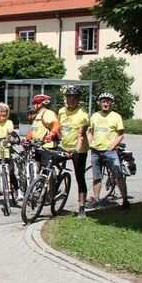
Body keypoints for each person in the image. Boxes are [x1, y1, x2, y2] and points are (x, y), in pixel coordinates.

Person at [88, 92, 130, 210]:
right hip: (96, 151)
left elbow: (120, 135)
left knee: (118, 175)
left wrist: (112, 147)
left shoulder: (116, 116)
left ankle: (125, 201)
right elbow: (90, 132)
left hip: (110, 152)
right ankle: (96, 199)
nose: (105, 104)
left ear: (111, 104)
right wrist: (90, 144)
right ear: (99, 103)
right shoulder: (95, 116)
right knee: (97, 177)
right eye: (103, 101)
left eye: (108, 102)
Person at [57, 85, 90, 218]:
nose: (71, 100)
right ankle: (51, 190)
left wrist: (76, 150)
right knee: (48, 164)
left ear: (78, 99)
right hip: (64, 147)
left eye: (74, 97)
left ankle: (81, 208)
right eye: (69, 97)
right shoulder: (61, 111)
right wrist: (58, 139)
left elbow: (81, 135)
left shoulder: (82, 115)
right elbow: (58, 127)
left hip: (79, 150)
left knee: (80, 177)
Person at [26, 94, 61, 169]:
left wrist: (50, 135)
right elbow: (33, 130)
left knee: (46, 171)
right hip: (38, 147)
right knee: (38, 170)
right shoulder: (38, 115)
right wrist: (26, 139)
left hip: (47, 147)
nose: (34, 105)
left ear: (41, 104)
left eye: (35, 103)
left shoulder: (47, 113)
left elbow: (56, 125)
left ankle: (51, 180)